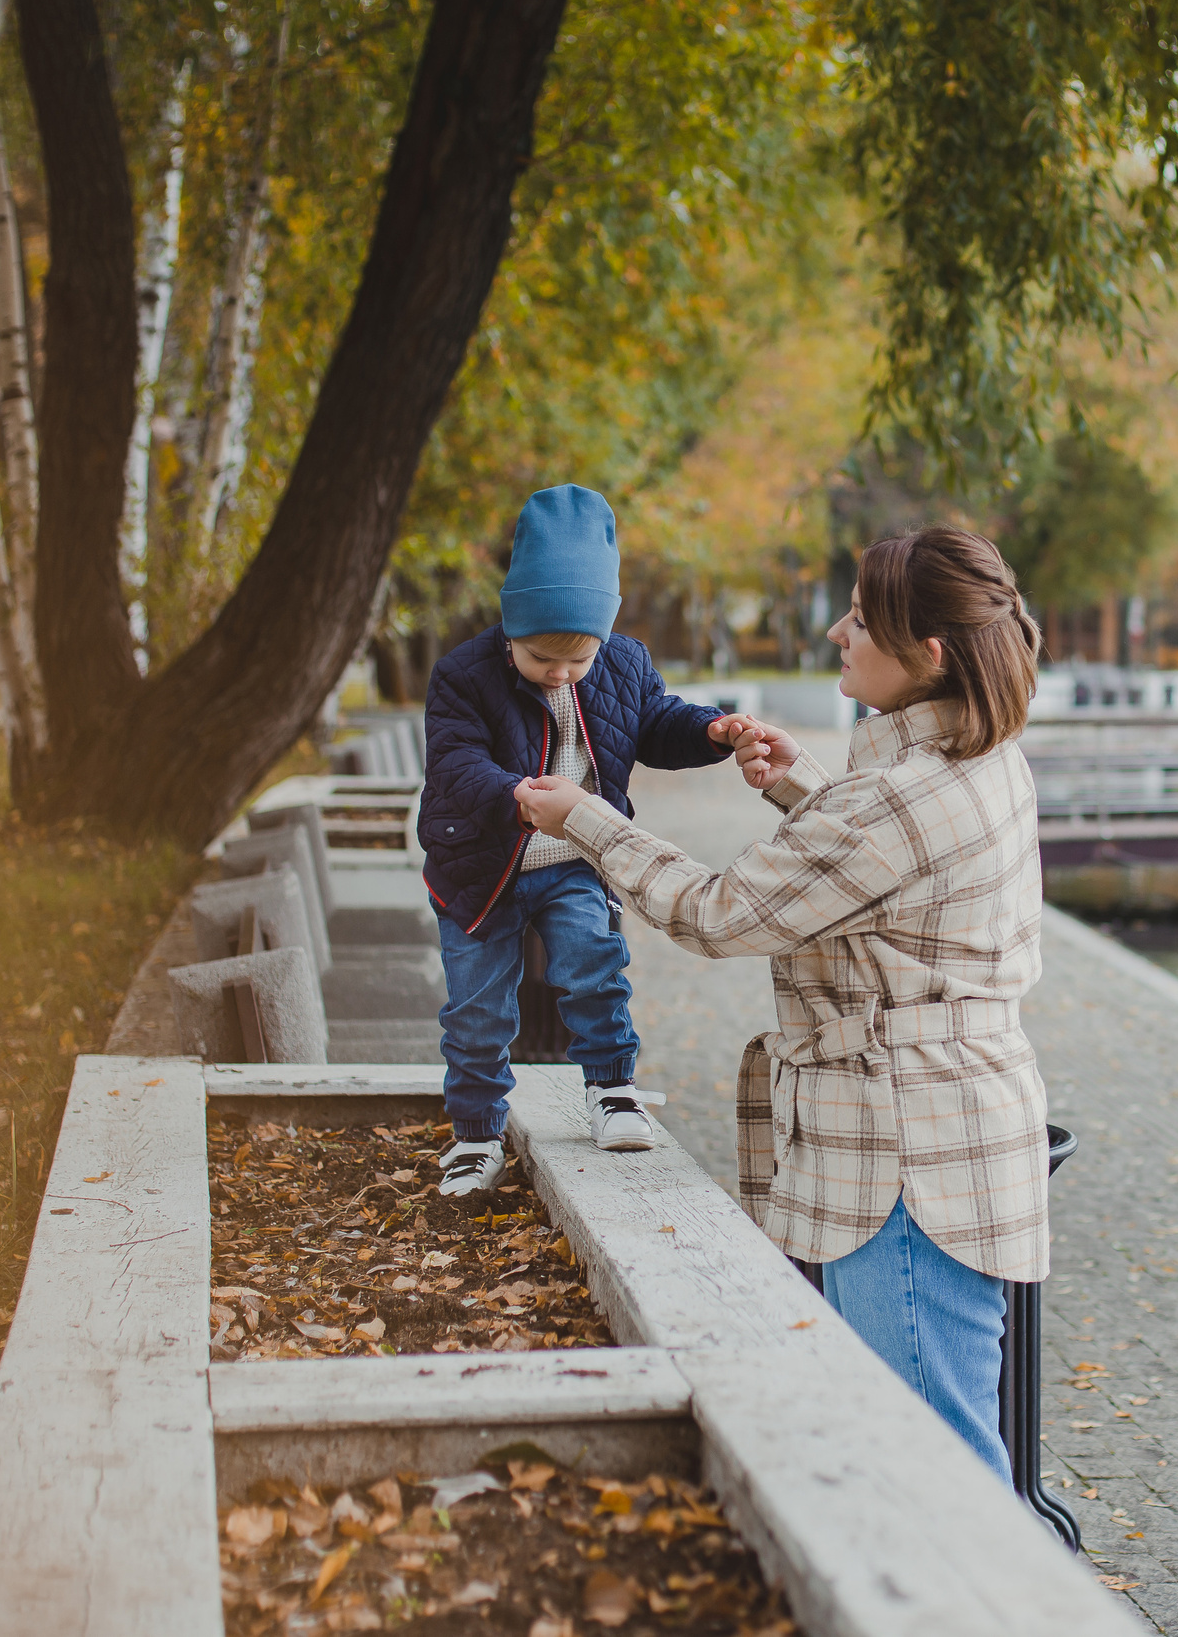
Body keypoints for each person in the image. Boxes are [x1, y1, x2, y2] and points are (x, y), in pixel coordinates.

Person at [515, 525, 1047, 1479]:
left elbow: (721, 913)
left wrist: (586, 820)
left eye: (861, 618)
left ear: (926, 655)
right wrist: (803, 785)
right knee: (931, 1442)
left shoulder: (894, 802)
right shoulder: (980, 756)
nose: (840, 630)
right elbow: (888, 865)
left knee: (936, 1463)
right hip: (948, 1133)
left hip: (903, 1160)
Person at [419, 484, 762, 1193]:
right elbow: (455, 764)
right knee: (479, 1007)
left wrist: (711, 731)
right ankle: (476, 1132)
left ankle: (611, 1087)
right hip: (482, 864)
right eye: (543, 657)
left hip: (576, 855)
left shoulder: (622, 664)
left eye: (578, 659)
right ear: (511, 628)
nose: (562, 674)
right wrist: (509, 795)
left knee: (593, 964)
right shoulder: (462, 676)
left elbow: (656, 722)